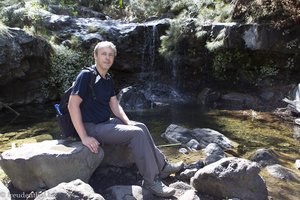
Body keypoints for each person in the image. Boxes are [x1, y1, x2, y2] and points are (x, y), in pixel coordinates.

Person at [68, 41, 183, 197]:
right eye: (103, 54)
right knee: (136, 134)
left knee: (140, 126)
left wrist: (127, 122)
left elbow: (116, 107)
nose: (107, 58)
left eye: (110, 55)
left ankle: (162, 167)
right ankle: (151, 181)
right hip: (92, 126)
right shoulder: (86, 75)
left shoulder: (107, 78)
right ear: (95, 56)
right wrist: (84, 137)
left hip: (106, 123)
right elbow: (72, 105)